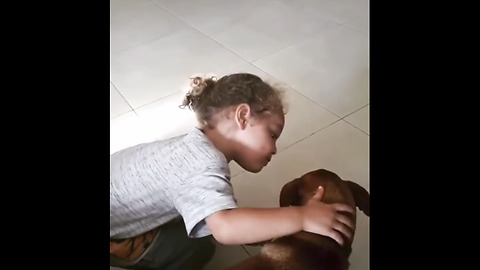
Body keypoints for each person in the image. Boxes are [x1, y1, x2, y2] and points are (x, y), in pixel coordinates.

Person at [110, 73, 355, 270]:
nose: (275, 148)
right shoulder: (203, 163)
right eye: (272, 134)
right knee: (197, 247)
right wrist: (303, 217)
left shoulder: (193, 146)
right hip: (114, 228)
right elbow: (225, 229)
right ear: (243, 116)